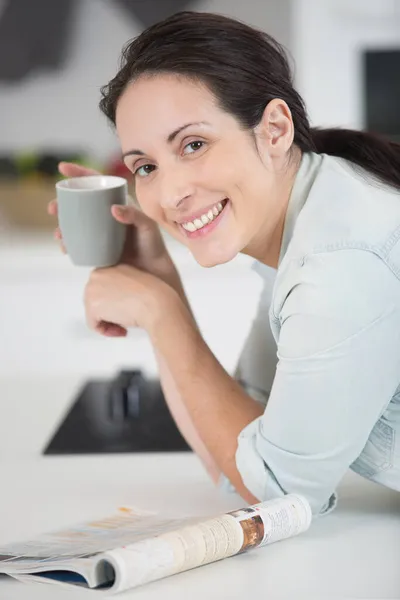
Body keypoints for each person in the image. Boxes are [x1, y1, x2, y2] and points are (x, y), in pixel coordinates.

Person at [48, 11, 400, 516]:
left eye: (193, 144)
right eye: (145, 167)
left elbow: (278, 497)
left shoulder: (339, 264)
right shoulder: (307, 218)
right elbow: (238, 458)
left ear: (274, 130)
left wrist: (162, 314)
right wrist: (160, 279)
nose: (169, 194)